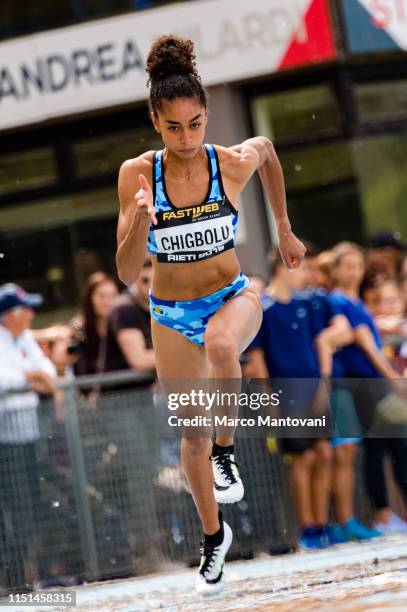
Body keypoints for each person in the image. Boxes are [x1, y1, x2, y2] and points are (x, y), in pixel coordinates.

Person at [115, 35, 305, 593]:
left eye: (196, 124)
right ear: (155, 120)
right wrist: (139, 224)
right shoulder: (137, 175)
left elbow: (267, 148)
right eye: (174, 127)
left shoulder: (229, 162)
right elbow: (128, 272)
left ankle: (228, 454)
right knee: (189, 438)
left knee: (224, 347)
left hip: (233, 296)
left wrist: (284, 228)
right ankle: (212, 536)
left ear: (206, 116)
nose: (187, 137)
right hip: (171, 313)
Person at [247, 249, 370, 548]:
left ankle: (322, 523)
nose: (308, 274)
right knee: (303, 459)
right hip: (286, 392)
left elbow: (326, 338)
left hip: (315, 388)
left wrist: (323, 384)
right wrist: (268, 399)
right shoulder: (265, 308)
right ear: (282, 267)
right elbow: (258, 357)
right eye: (302, 268)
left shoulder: (309, 303)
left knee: (325, 453)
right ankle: (308, 528)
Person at [330, 242, 407, 535]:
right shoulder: (337, 301)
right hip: (361, 381)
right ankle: (383, 517)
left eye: (357, 266)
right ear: (336, 270)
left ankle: (390, 515)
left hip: (374, 381)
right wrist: (392, 378)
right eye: (347, 266)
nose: (353, 272)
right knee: (377, 449)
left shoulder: (358, 302)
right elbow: (367, 344)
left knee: (395, 446)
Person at [0, 283, 56, 591]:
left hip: (28, 436)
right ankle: (15, 577)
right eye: (26, 309)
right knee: (13, 509)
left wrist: (35, 377)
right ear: (10, 315)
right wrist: (29, 377)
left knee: (31, 505)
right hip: (5, 442)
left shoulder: (24, 339)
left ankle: (25, 574)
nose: (32, 315)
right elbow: (3, 380)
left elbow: (47, 371)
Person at [103, 258, 155, 376]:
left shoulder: (163, 306)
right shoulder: (124, 309)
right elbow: (139, 360)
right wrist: (181, 354)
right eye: (145, 280)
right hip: (121, 391)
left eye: (157, 279)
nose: (152, 285)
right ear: (135, 281)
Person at [70, 272, 119, 376]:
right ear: (90, 298)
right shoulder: (78, 330)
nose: (108, 302)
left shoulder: (124, 327)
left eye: (113, 296)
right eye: (102, 296)